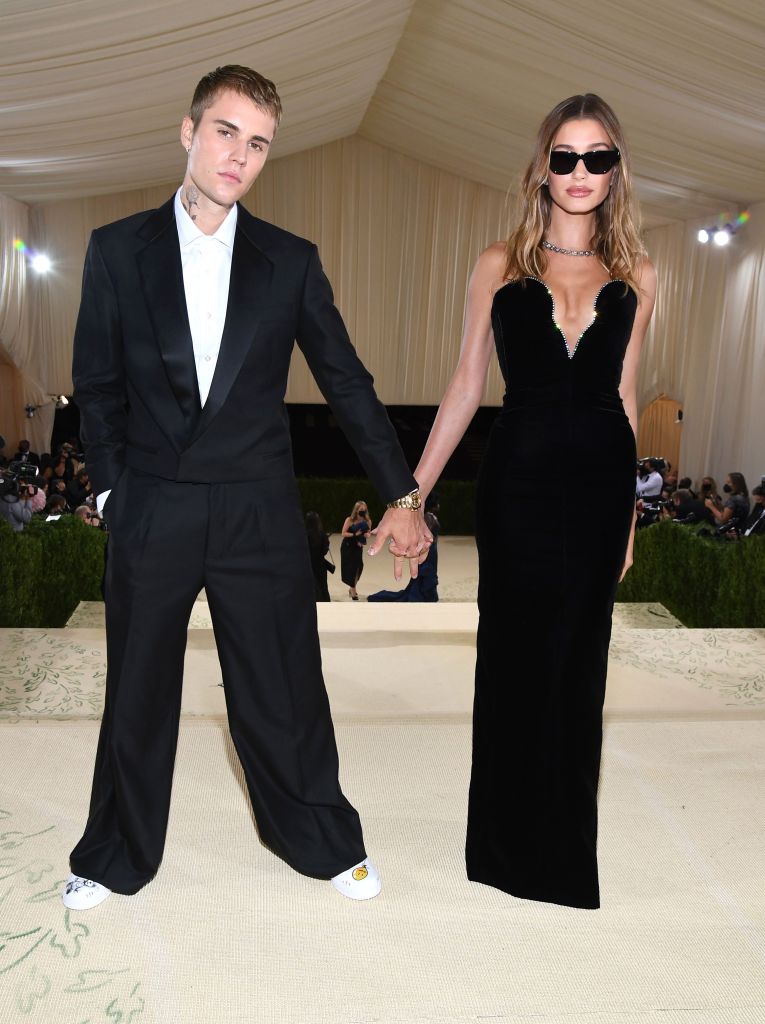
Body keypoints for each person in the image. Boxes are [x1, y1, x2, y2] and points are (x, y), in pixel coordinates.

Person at [64, 65, 430, 912]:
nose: (239, 155)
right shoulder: (118, 248)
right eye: (225, 132)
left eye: (258, 142)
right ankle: (116, 853)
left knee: (283, 683)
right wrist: (116, 495)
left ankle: (322, 839)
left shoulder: (288, 261)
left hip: (257, 506)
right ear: (188, 132)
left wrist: (401, 494)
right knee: (138, 689)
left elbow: (346, 383)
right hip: (153, 501)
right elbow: (98, 383)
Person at [412, 94, 656, 909]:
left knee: (579, 667)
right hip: (514, 487)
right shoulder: (498, 265)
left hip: (596, 493)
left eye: (596, 158)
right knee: (514, 663)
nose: (579, 173)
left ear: (616, 169)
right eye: (564, 156)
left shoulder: (638, 276)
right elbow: (463, 387)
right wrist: (410, 491)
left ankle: (561, 858)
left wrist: (627, 517)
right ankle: (504, 850)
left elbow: (624, 400)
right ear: (541, 167)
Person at [368, 493, 440, 602]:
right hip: (427, 549)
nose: (438, 506)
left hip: (432, 550)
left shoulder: (429, 516)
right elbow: (420, 534)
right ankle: (424, 594)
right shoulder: (428, 517)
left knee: (425, 571)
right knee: (424, 571)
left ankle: (425, 594)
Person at [340, 500, 372, 600]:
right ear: (356, 510)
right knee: (350, 569)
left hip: (358, 546)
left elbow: (368, 533)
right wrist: (354, 534)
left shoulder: (368, 521)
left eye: (364, 509)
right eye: (360, 509)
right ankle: (353, 590)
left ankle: (352, 587)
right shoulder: (349, 520)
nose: (362, 511)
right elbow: (343, 533)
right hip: (348, 546)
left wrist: (367, 535)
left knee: (359, 567)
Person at [305, 510, 333, 602]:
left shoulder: (304, 535)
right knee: (323, 586)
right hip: (320, 564)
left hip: (308, 564)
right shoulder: (322, 535)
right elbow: (324, 551)